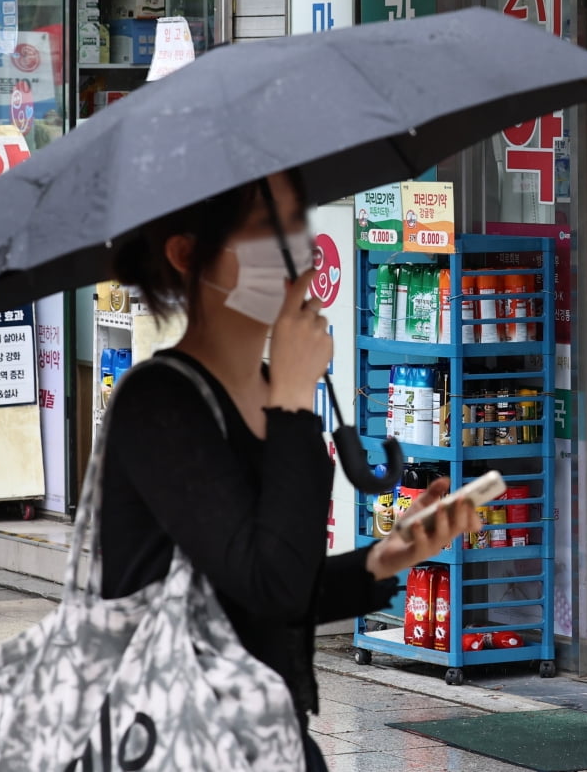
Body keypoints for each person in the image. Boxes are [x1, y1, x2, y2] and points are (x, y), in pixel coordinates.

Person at [100, 172, 479, 771]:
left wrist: (386, 557)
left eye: (296, 222)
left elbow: (257, 589)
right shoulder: (159, 404)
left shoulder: (265, 396)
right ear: (186, 254)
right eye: (264, 228)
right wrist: (296, 398)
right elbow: (269, 583)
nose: (294, 250)